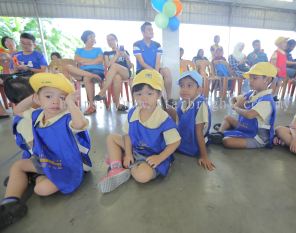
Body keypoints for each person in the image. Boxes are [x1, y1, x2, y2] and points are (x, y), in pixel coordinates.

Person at [0, 73, 92, 229]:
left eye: (62, 98)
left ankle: (34, 178)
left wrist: (71, 105)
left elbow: (80, 123)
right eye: (48, 96)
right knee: (18, 165)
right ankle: (10, 203)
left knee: (41, 189)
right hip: (45, 159)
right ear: (38, 99)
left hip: (70, 164)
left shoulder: (67, 117)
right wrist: (32, 98)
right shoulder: (37, 115)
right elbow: (18, 111)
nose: (55, 101)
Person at [97, 69, 181, 193]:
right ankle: (116, 168)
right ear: (134, 95)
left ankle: (121, 162)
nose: (144, 99)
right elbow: (127, 135)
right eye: (139, 94)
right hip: (134, 149)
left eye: (149, 93)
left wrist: (159, 157)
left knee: (143, 176)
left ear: (158, 95)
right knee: (111, 138)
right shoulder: (132, 113)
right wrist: (129, 154)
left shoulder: (163, 118)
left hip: (152, 156)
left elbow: (175, 142)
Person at [209, 62, 277, 149]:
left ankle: (222, 134)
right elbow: (233, 99)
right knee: (227, 118)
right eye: (250, 78)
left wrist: (236, 107)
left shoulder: (266, 101)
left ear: (266, 80)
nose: (250, 81)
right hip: (246, 127)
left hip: (256, 136)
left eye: (254, 78)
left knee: (227, 141)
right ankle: (220, 134)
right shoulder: (252, 93)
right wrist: (237, 103)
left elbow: (249, 114)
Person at [175, 71, 215, 171]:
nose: (184, 89)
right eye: (181, 85)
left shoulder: (200, 104)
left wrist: (204, 156)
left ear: (199, 90)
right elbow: (179, 123)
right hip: (186, 136)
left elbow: (199, 132)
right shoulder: (182, 102)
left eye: (189, 86)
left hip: (196, 140)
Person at [133, 22, 173, 103]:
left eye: (152, 30)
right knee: (150, 75)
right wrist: (155, 73)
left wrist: (156, 72)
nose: (151, 31)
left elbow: (158, 62)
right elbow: (142, 63)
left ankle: (169, 99)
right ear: (143, 32)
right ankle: (158, 97)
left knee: (166, 71)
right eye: (149, 30)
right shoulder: (137, 44)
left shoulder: (157, 45)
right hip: (142, 70)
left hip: (155, 68)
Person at [93, 33, 131, 111]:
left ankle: (103, 92)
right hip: (114, 75)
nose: (110, 42)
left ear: (116, 40)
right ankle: (118, 105)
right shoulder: (107, 53)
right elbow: (107, 65)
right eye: (108, 40)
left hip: (125, 72)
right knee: (117, 77)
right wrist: (116, 55)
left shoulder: (124, 51)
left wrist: (126, 58)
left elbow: (130, 66)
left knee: (114, 66)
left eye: (112, 39)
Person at [74, 30, 104, 115]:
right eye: (91, 37)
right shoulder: (79, 50)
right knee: (70, 69)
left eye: (94, 37)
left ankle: (91, 105)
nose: (93, 38)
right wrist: (93, 61)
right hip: (83, 72)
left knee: (88, 77)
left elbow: (100, 60)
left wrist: (85, 62)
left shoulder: (98, 49)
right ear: (85, 38)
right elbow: (77, 59)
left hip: (97, 71)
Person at [270, 36, 288, 101]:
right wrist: (275, 68)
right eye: (284, 42)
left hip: (282, 72)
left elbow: (285, 62)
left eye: (286, 43)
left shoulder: (284, 53)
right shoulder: (276, 52)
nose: (286, 44)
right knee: (274, 83)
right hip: (275, 72)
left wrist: (295, 63)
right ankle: (270, 95)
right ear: (279, 43)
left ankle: (275, 95)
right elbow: (272, 61)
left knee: (279, 84)